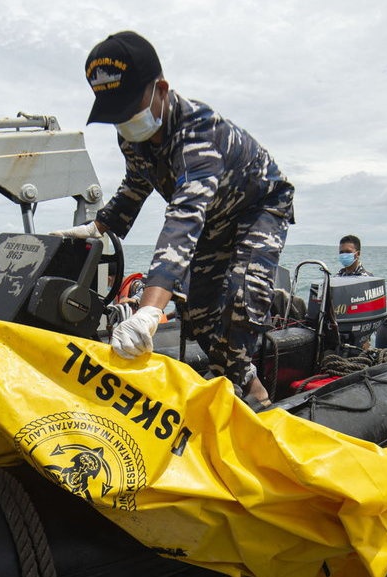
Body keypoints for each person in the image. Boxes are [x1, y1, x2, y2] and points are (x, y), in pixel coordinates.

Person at [53, 31, 295, 408]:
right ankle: (244, 381)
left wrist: (149, 308)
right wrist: (97, 226)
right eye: (115, 114)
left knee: (242, 298)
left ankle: (253, 394)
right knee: (197, 314)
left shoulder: (199, 134)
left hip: (257, 207)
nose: (125, 123)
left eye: (130, 109)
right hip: (214, 219)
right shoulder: (130, 137)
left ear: (161, 90)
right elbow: (136, 184)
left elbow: (184, 220)